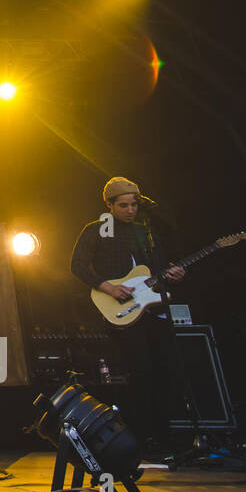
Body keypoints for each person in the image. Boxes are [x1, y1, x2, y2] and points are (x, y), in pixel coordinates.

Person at [69, 176, 185, 445]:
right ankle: (140, 436)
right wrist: (109, 288)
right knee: (139, 371)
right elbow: (78, 266)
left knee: (165, 369)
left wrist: (174, 273)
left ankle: (168, 434)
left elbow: (155, 271)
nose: (131, 210)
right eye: (123, 205)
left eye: (134, 205)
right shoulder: (96, 230)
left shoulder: (146, 232)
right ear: (109, 205)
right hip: (121, 310)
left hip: (152, 309)